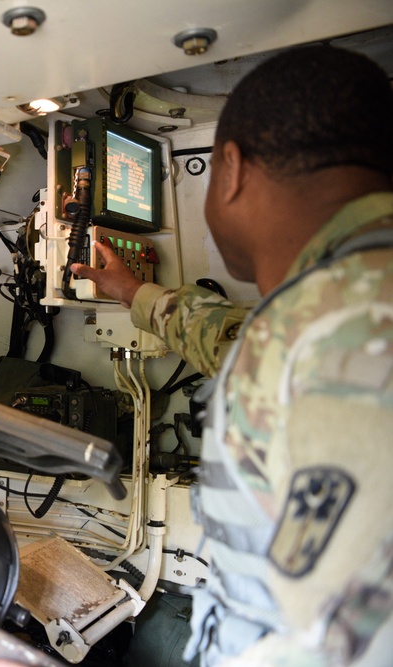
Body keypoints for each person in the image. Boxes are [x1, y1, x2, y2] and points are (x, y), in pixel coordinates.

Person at [68, 44, 393, 666]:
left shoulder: (335, 322)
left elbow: (344, 643)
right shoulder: (339, 305)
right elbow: (239, 340)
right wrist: (137, 294)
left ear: (233, 169)